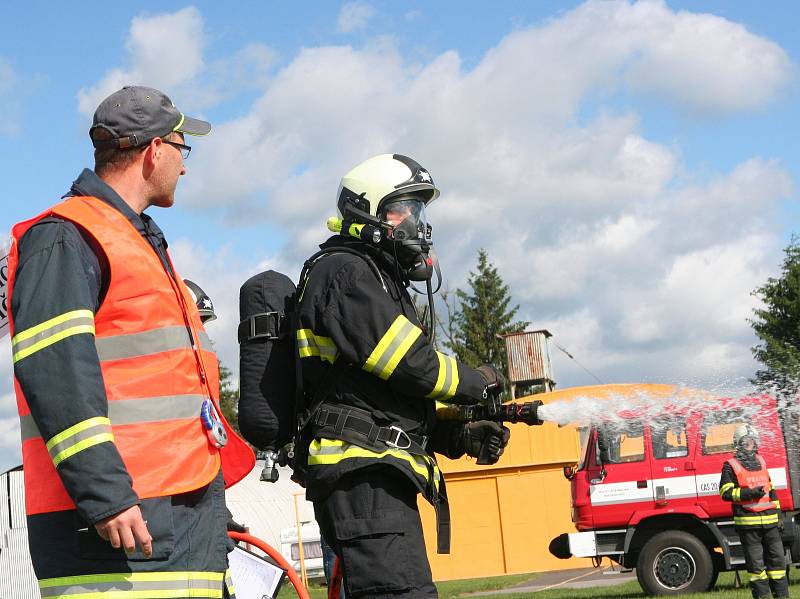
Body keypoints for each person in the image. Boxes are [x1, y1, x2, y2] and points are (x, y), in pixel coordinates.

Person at [8, 86, 254, 599]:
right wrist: (106, 496)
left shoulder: (135, 240)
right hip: (121, 527)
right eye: (182, 150)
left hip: (172, 517)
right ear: (154, 150)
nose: (185, 167)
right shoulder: (67, 236)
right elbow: (56, 375)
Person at [295, 153, 511, 598]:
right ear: (367, 212)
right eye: (404, 209)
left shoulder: (372, 279)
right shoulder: (346, 272)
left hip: (372, 475)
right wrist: (477, 381)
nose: (417, 222)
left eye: (420, 210)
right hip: (362, 478)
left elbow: (378, 401)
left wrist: (457, 436)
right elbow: (412, 364)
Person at [719, 424, 788, 599]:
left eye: (752, 441)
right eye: (746, 442)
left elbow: (771, 490)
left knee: (778, 564)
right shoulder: (730, 466)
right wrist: (749, 493)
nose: (750, 445)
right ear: (739, 443)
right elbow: (725, 493)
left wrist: (779, 515)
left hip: (770, 523)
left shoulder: (761, 461)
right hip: (749, 525)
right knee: (757, 569)